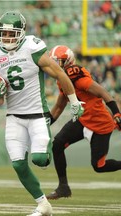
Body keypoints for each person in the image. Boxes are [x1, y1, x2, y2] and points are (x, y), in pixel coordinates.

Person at [0, 11, 84, 216]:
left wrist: (73, 100)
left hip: (37, 113)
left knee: (39, 159)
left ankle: (43, 154)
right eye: (3, 33)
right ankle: (43, 204)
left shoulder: (32, 47)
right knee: (19, 165)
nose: (7, 38)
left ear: (21, 33)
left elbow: (59, 73)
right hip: (13, 117)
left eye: (11, 34)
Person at [46, 45, 121, 200]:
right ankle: (63, 187)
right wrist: (43, 124)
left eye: (57, 62)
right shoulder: (62, 80)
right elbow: (60, 105)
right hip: (83, 120)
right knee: (57, 144)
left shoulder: (76, 77)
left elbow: (102, 92)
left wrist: (116, 112)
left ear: (68, 62)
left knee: (99, 166)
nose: (54, 66)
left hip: (100, 124)